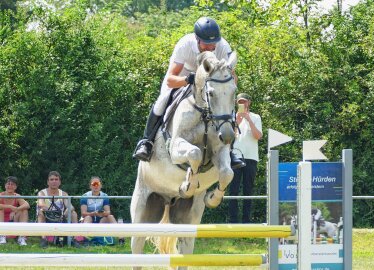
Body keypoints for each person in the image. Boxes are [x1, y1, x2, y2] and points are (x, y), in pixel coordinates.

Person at [132, 16, 245, 169]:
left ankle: (229, 150)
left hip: (209, 84)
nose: (210, 48)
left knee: (224, 106)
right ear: (197, 40)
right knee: (162, 100)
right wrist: (188, 79)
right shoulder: (185, 44)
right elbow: (171, 79)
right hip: (182, 78)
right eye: (206, 44)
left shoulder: (223, 46)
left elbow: (231, 77)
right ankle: (147, 142)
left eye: (213, 44)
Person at [228, 93, 262, 223]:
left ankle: (246, 221)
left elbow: (258, 136)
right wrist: (237, 122)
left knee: (248, 190)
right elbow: (229, 138)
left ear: (249, 102)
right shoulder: (232, 117)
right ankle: (233, 221)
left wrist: (249, 120)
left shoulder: (256, 117)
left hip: (251, 157)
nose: (242, 104)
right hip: (235, 157)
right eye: (240, 102)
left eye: (244, 101)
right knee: (234, 190)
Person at [37, 171, 79, 248]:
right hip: (47, 216)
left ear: (59, 182)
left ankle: (74, 239)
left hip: (61, 217)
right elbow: (41, 205)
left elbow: (71, 206)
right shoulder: (42, 193)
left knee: (73, 213)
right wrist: (53, 212)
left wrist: (66, 211)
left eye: (56, 179)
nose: (54, 181)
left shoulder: (63, 193)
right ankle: (43, 239)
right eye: (51, 179)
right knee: (40, 212)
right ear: (48, 182)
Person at [80, 176, 124, 245]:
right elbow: (83, 213)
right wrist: (94, 213)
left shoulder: (104, 196)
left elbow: (108, 212)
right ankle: (85, 240)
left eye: (97, 183)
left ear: (101, 185)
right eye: (93, 184)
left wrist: (102, 213)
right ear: (90, 186)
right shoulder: (85, 196)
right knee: (88, 217)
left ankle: (121, 239)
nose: (96, 186)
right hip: (88, 219)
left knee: (110, 216)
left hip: (100, 220)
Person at [0, 176, 30, 246]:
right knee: (1, 210)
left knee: (24, 210)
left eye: (12, 184)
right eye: (8, 184)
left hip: (12, 220)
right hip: (1, 221)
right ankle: (1, 235)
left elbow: (27, 205)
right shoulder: (1, 195)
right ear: (5, 185)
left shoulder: (17, 196)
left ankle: (21, 237)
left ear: (15, 187)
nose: (10, 186)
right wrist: (10, 206)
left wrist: (16, 209)